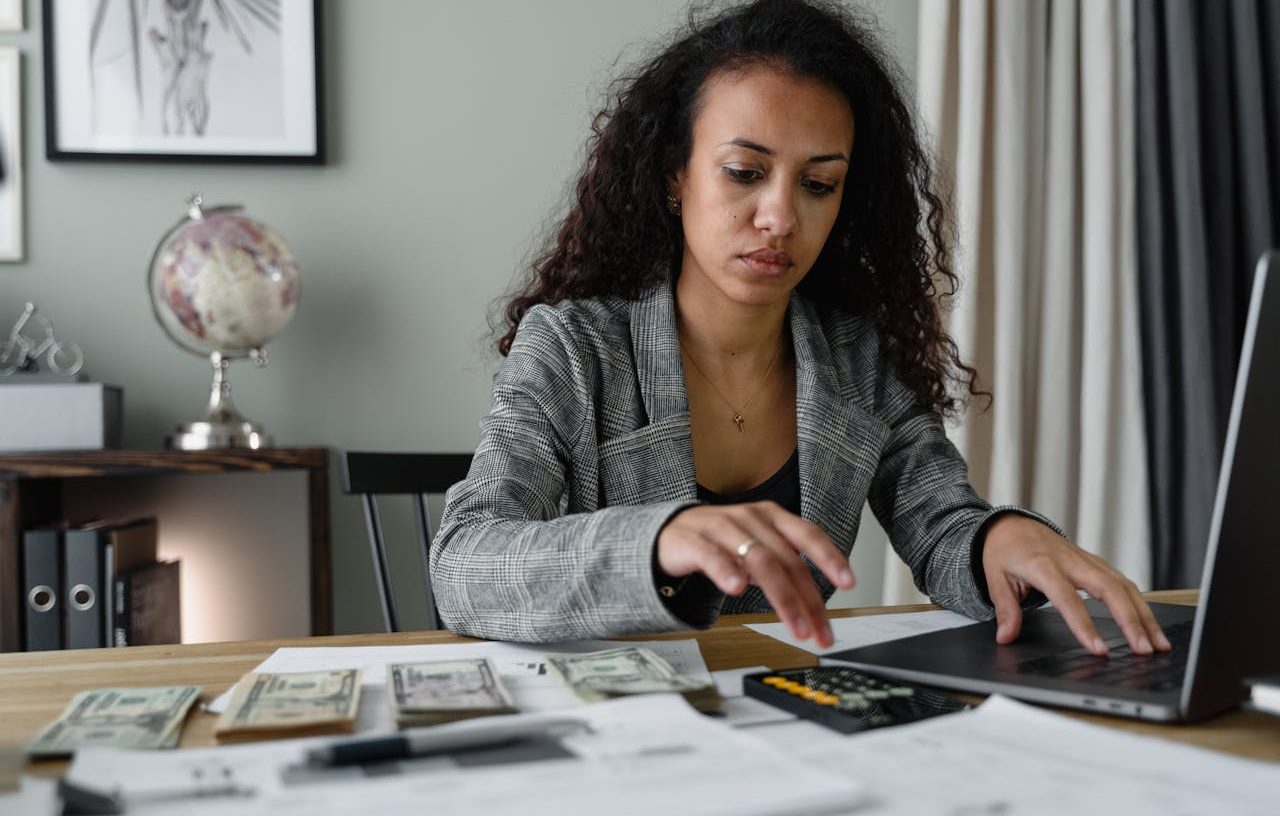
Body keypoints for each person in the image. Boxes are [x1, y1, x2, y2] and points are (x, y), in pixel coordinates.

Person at [431, 0, 1169, 658]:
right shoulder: (572, 348)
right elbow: (465, 562)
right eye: (744, 172)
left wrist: (996, 539)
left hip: (785, 709)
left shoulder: (856, 360)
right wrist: (656, 541)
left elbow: (941, 525)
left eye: (818, 184)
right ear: (674, 176)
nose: (781, 217)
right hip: (623, 728)